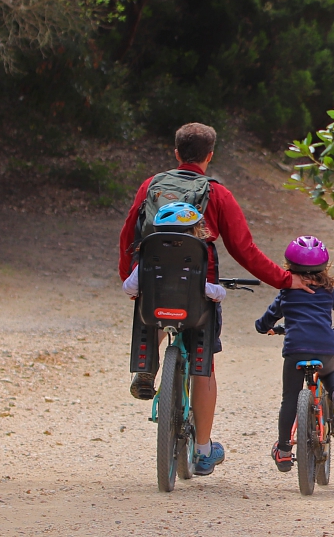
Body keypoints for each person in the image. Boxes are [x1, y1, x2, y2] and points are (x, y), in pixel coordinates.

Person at [119, 122, 313, 476]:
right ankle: (205, 449)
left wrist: (131, 279)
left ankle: (147, 367)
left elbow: (129, 234)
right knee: (203, 363)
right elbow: (245, 250)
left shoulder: (151, 186)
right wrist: (286, 279)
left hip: (152, 286)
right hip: (199, 294)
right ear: (209, 156)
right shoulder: (217, 194)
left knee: (155, 315)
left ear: (176, 153)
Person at [254, 235, 334, 473]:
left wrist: (264, 326)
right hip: (324, 348)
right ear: (324, 266)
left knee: (289, 399)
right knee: (330, 373)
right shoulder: (328, 291)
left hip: (295, 350)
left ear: (289, 264)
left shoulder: (287, 291)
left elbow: (268, 318)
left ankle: (284, 451)